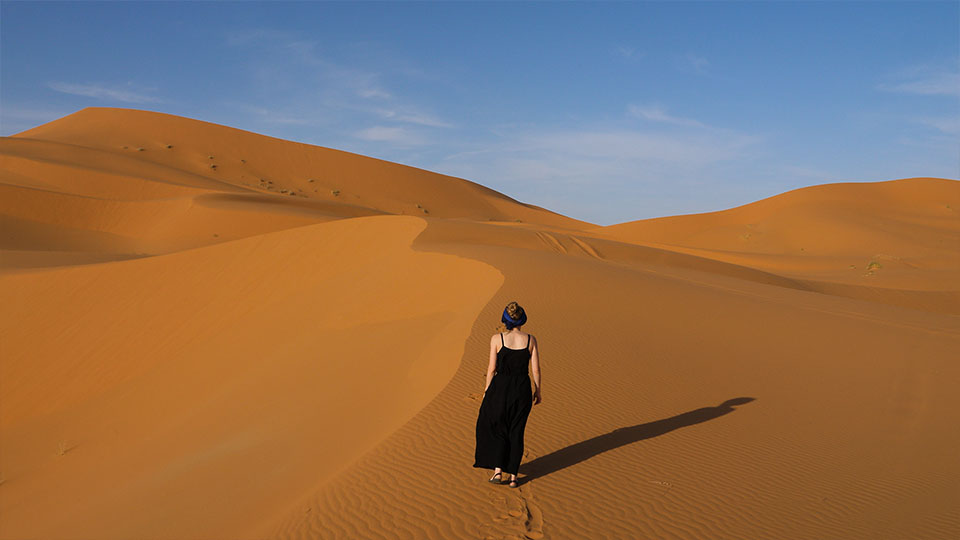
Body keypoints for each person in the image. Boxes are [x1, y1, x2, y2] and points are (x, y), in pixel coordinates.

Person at [473, 301, 542, 488]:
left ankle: (498, 472)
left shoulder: (497, 339)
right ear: (522, 319)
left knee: (497, 427)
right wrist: (538, 390)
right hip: (522, 389)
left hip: (500, 388)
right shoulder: (531, 339)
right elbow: (535, 369)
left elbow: (492, 368)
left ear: (505, 318)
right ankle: (513, 476)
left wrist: (487, 390)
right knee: (517, 431)